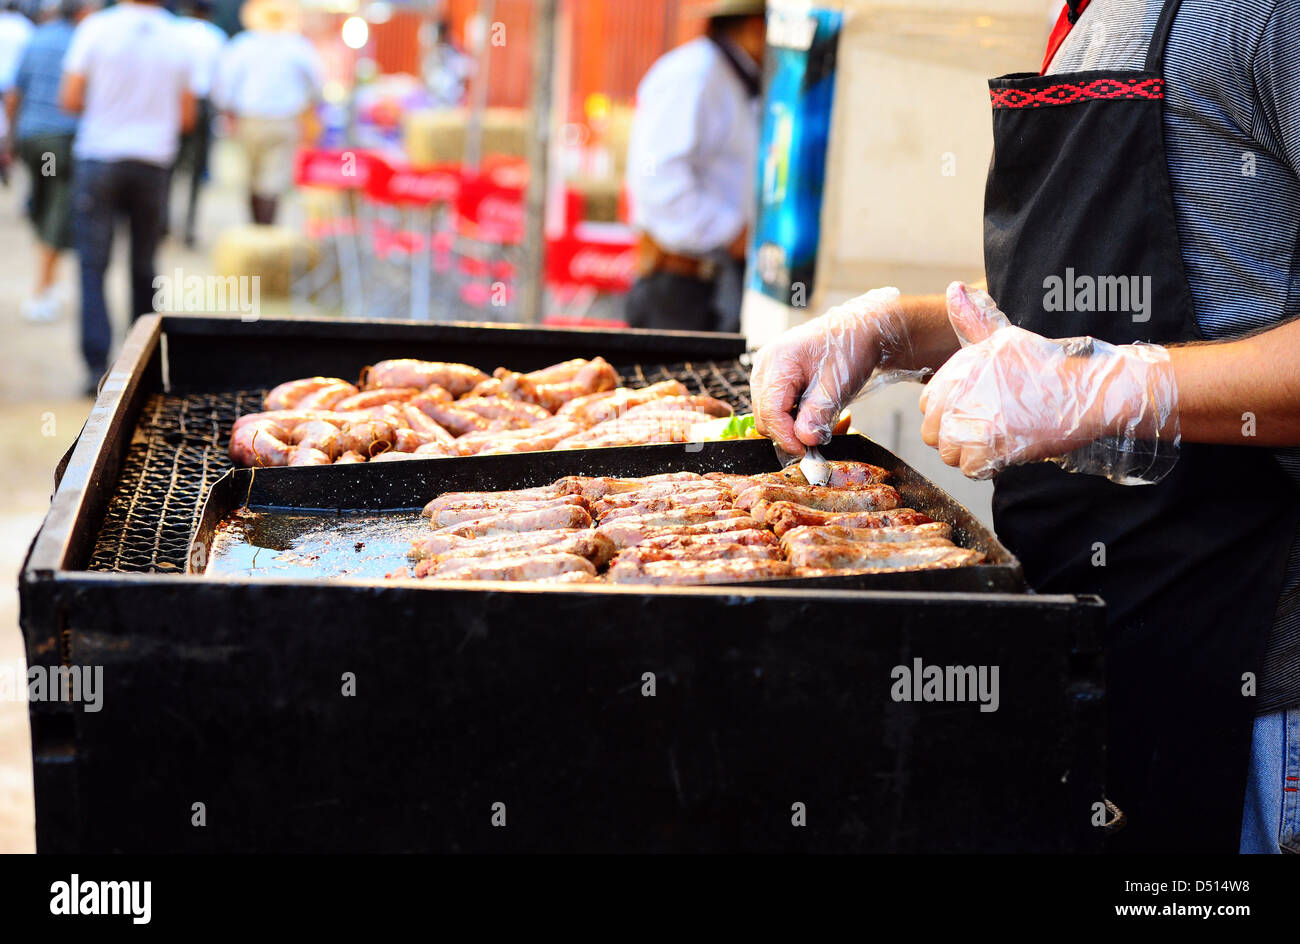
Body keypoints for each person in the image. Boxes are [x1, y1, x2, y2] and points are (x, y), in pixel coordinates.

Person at [751, 0, 1300, 854]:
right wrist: (898, 330)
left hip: (1260, 696)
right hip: (1102, 646)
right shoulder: (1087, 18)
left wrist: (1106, 389)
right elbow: (1096, 297)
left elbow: (1106, 359)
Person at [60, 0, 196, 394]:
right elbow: (187, 116)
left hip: (99, 157)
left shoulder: (95, 28)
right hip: (153, 161)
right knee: (144, 265)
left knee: (92, 265)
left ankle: (94, 367)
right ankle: (140, 367)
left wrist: (110, 107)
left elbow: (69, 97)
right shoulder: (177, 35)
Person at [624, 0, 766, 333]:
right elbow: (659, 183)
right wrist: (735, 232)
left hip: (713, 281)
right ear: (757, 28)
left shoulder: (730, 78)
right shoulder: (696, 74)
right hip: (676, 286)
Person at [6, 0, 91, 323]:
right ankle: (42, 287)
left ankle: (47, 281)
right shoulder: (80, 42)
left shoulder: (37, 37)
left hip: (32, 139)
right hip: (57, 145)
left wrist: (11, 139)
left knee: (44, 202)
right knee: (55, 206)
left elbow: (15, 93)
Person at [212, 0, 323, 226]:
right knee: (272, 180)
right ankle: (266, 230)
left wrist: (228, 112)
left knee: (254, 178)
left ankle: (258, 229)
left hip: (250, 120)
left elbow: (225, 85)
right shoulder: (298, 46)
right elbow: (316, 84)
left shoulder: (244, 45)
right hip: (282, 121)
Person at [173, 0, 226, 247]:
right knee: (196, 171)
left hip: (173, 101)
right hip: (202, 104)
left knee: (168, 165)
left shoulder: (173, 30)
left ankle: (162, 221)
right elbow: (220, 82)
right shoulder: (215, 37)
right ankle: (189, 227)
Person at [0, 0, 34, 185]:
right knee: (10, 127)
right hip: (15, 85)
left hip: (8, 83)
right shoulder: (26, 27)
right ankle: (7, 160)